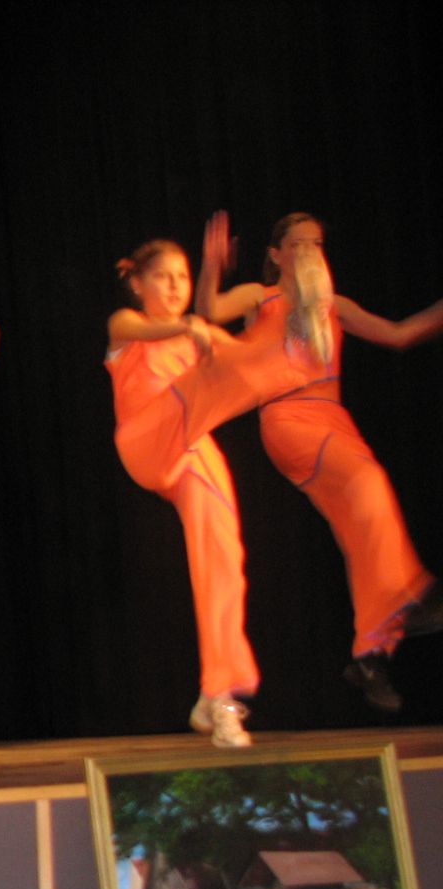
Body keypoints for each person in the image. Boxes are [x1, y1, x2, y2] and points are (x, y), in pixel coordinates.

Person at [199, 211, 443, 712]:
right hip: (290, 420)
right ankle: (412, 595)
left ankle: (372, 653)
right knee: (369, 483)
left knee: (364, 524)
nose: (309, 252)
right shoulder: (262, 297)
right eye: (298, 244)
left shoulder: (334, 305)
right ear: (276, 254)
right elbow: (209, 310)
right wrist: (211, 266)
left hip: (335, 422)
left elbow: (399, 334)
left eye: (316, 244)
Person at [108, 237, 316, 746]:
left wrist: (271, 329)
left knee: (224, 565)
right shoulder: (126, 324)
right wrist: (192, 328)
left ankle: (216, 695)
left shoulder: (198, 336)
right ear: (138, 283)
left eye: (182, 277)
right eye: (163, 277)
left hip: (193, 450)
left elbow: (239, 360)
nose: (175, 286)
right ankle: (291, 342)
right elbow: (151, 329)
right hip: (145, 439)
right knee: (213, 377)